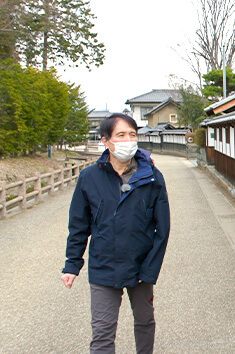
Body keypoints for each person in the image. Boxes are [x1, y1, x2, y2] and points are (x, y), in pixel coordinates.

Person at [61, 113, 170, 354]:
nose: (128, 140)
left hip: (141, 265)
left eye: (132, 135)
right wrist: (72, 264)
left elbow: (162, 230)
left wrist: (150, 269)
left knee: (144, 322)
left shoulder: (152, 177)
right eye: (120, 135)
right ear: (105, 141)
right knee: (102, 333)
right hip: (103, 266)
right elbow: (79, 225)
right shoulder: (89, 178)